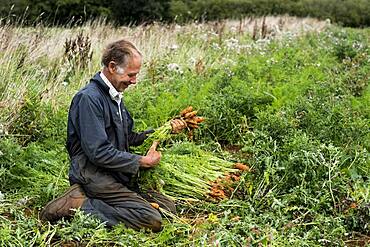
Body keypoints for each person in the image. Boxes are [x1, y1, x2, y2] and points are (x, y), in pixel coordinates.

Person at [40, 39, 186, 232]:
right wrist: (142, 161)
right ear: (112, 67)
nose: (134, 81)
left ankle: (94, 203)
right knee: (151, 219)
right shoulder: (89, 99)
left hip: (114, 173)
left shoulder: (114, 96)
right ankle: (77, 205)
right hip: (93, 175)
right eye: (131, 75)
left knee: (168, 208)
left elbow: (128, 138)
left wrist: (164, 131)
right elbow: (98, 152)